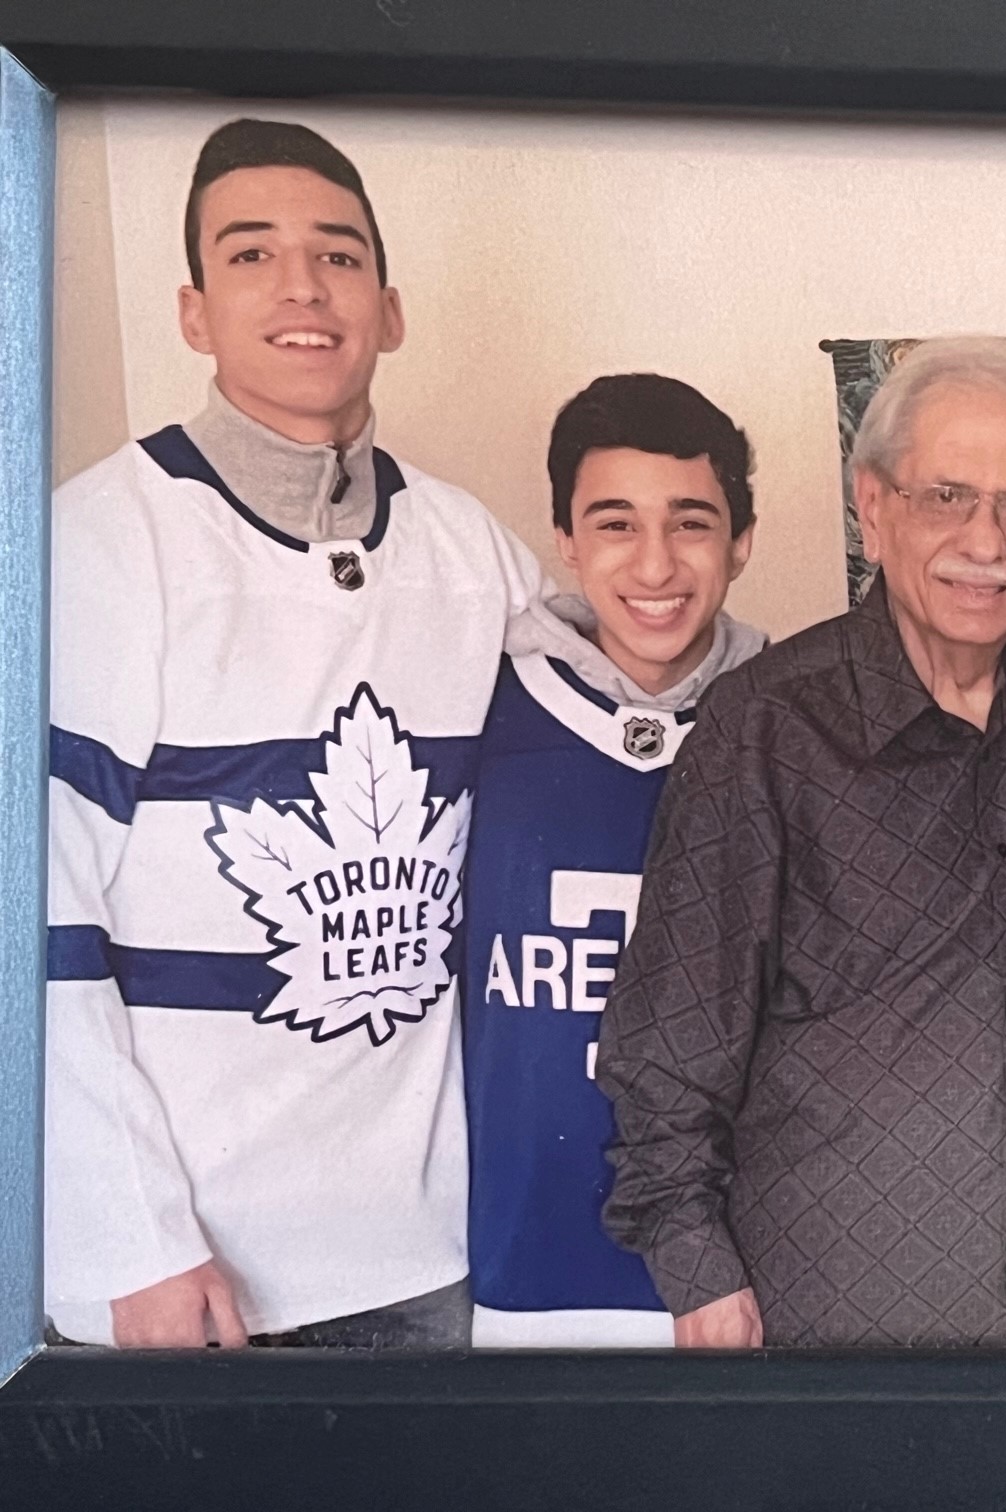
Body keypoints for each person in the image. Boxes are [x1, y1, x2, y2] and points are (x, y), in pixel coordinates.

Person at [44, 118, 541, 1348]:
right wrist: (130, 1235)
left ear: (390, 305)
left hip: (430, 1254)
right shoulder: (97, 545)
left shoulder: (474, 553)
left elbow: (632, 722)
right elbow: (36, 925)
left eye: (337, 254)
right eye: (252, 255)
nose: (303, 287)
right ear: (195, 311)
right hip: (188, 1277)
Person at [595, 336, 1006, 1348]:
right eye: (948, 496)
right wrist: (697, 1276)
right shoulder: (762, 729)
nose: (986, 541)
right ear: (875, 503)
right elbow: (668, 1043)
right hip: (841, 1319)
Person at [460, 374, 765, 1347]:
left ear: (741, 542)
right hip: (522, 1262)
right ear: (565, 542)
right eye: (615, 523)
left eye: (691, 522)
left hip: (739, 1280)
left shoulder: (793, 725)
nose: (656, 564)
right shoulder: (476, 702)